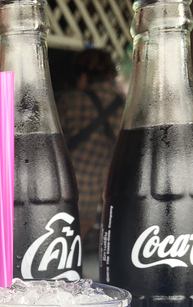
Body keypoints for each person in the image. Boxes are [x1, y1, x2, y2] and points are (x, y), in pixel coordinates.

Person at [56, 49, 125, 239]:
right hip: (93, 199)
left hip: (61, 192)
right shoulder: (126, 107)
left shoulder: (71, 101)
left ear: (83, 76)